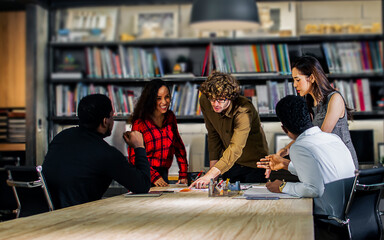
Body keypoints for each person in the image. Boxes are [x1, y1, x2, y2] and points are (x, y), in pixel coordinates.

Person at [42, 94, 151, 209]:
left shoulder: (61, 137)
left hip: (46, 214)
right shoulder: (106, 154)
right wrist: (139, 147)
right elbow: (142, 186)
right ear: (105, 121)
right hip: (76, 219)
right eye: (111, 116)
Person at [257, 95, 355, 207]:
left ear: (284, 129)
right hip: (351, 207)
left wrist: (282, 186)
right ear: (311, 116)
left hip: (329, 211)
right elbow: (321, 173)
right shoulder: (334, 138)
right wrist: (284, 164)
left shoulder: (299, 147)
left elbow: (314, 190)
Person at [274, 56, 358, 172]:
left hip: (343, 166)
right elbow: (307, 135)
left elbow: (319, 136)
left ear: (312, 78)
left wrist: (287, 156)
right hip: (325, 162)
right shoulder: (308, 103)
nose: (294, 85)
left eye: (298, 80)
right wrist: (284, 151)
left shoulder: (335, 98)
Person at [190, 71, 269, 189]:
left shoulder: (244, 109)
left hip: (254, 165)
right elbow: (213, 135)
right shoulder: (205, 101)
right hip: (229, 164)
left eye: (221, 99)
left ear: (231, 97)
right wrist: (212, 174)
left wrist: (210, 175)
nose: (215, 104)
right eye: (212, 99)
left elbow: (236, 148)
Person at [128, 79, 188, 187]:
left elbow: (179, 147)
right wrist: (154, 176)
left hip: (163, 174)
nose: (164, 102)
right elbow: (133, 157)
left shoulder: (170, 117)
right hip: (145, 174)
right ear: (151, 100)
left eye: (167, 97)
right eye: (158, 98)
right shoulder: (140, 123)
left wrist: (183, 174)